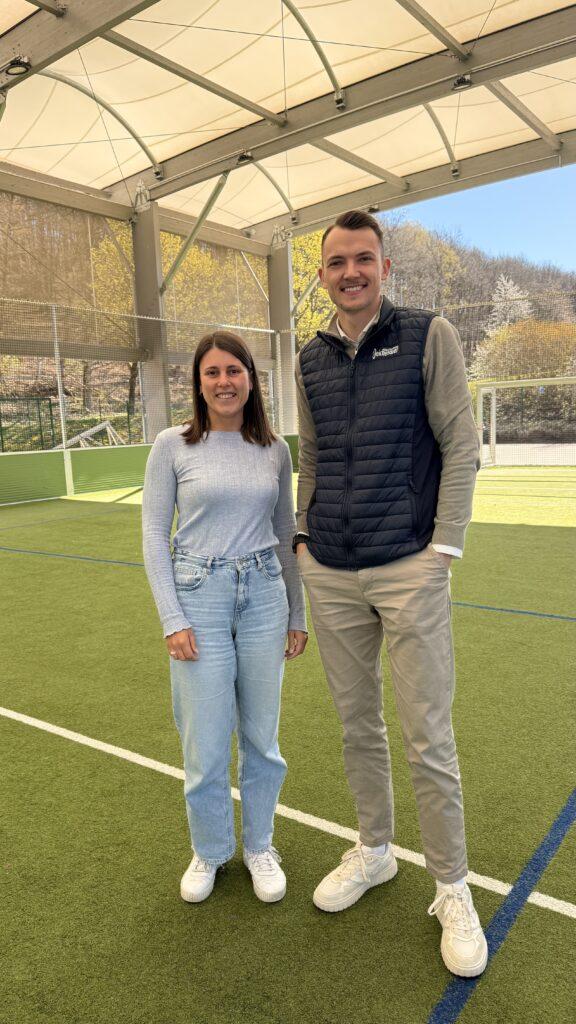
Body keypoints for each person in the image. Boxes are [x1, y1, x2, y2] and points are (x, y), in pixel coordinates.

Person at [294, 210, 487, 978]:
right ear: (322, 273)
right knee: (357, 727)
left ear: (383, 266)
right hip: (331, 569)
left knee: (427, 736)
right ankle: (374, 850)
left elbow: (461, 444)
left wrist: (443, 549)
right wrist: (303, 536)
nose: (351, 272)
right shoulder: (310, 357)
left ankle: (452, 888)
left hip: (410, 566)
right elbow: (310, 455)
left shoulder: (428, 334)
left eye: (363, 259)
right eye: (337, 261)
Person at [143, 330, 307, 905]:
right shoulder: (172, 445)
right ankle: (210, 850)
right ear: (198, 382)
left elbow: (286, 533)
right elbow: (153, 535)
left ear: (251, 380)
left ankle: (260, 845)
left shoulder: (275, 450)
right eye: (212, 372)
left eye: (234, 371)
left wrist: (297, 613)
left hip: (264, 596)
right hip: (199, 597)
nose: (224, 382)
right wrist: (172, 617)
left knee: (263, 738)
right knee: (205, 743)